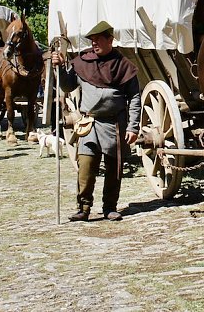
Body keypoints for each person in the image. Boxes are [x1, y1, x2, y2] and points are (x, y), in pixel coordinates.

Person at [51, 20, 141, 222]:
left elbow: (135, 98)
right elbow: (67, 86)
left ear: (110, 40)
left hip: (114, 124)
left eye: (98, 39)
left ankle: (110, 207)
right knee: (86, 166)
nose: (94, 43)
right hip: (89, 123)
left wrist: (133, 126)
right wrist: (60, 68)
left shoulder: (123, 66)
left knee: (114, 169)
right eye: (92, 40)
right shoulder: (82, 62)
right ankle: (83, 207)